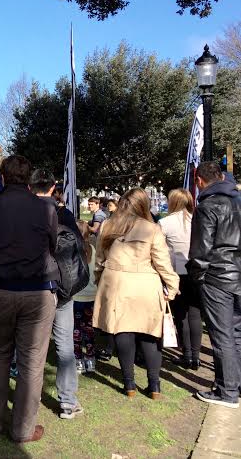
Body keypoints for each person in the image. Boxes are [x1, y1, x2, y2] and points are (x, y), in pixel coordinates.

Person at [0, 155, 58, 443]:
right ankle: (22, 429)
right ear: (29, 179)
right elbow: (52, 244)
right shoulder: (46, 208)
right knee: (31, 361)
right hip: (36, 290)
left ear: (2, 178)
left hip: (2, 289)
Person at [93, 188, 179, 399]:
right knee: (150, 334)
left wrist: (99, 281)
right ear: (144, 205)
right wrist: (172, 286)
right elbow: (162, 263)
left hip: (116, 283)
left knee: (122, 332)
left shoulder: (108, 225)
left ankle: (129, 383)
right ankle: (154, 385)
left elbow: (99, 260)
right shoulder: (152, 228)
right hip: (145, 285)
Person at [30, 169, 84, 420]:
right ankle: (68, 402)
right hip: (61, 287)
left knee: (32, 345)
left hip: (34, 286)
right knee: (64, 345)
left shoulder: (26, 213)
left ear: (30, 187)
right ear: (53, 188)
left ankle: (30, 398)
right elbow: (78, 250)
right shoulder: (64, 214)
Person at [187, 162, 241, 408]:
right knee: (236, 333)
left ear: (199, 181)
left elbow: (201, 251)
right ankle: (234, 385)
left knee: (222, 335)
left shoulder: (207, 207)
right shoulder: (237, 201)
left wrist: (198, 278)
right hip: (234, 273)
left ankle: (227, 391)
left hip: (218, 277)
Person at [159, 189, 200, 369]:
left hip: (176, 273)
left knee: (181, 314)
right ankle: (195, 356)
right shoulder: (197, 219)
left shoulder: (165, 223)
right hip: (196, 271)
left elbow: (160, 250)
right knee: (194, 314)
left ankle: (188, 354)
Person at [74, 220, 98, 373]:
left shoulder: (73, 250)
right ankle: (90, 358)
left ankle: (78, 359)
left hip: (76, 296)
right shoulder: (93, 249)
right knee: (88, 329)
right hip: (91, 296)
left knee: (75, 329)